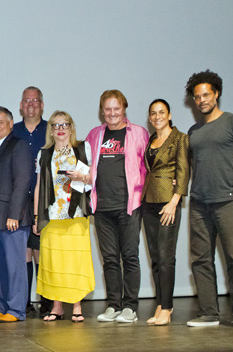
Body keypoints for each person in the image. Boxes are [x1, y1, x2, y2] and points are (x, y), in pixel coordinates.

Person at [184, 70, 233, 329]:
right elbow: (193, 167)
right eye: (197, 97)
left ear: (216, 94)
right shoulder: (193, 131)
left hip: (227, 201)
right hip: (198, 204)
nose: (202, 100)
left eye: (206, 95)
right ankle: (209, 313)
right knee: (200, 260)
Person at [86, 90, 149, 323]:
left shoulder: (139, 133)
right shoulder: (94, 135)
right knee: (110, 259)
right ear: (102, 111)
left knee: (130, 256)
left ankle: (130, 307)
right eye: (107, 109)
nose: (112, 113)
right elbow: (86, 167)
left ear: (124, 109)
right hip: (102, 208)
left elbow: (150, 166)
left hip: (129, 206)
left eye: (116, 108)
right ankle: (114, 305)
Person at [33, 111, 95, 322]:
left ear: (71, 127)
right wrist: (36, 217)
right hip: (52, 216)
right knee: (55, 263)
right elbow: (39, 186)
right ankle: (57, 307)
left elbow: (93, 179)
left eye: (64, 124)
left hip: (76, 214)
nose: (60, 129)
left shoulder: (83, 148)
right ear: (50, 130)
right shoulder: (44, 154)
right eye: (55, 125)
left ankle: (77, 306)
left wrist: (82, 176)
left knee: (75, 261)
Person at [0, 107, 33, 323]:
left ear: (11, 124)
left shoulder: (19, 145)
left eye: (0, 122)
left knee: (15, 266)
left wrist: (15, 214)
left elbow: (22, 182)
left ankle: (16, 310)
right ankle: (3, 307)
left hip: (12, 219)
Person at [141, 99, 189, 326]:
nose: (157, 116)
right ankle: (160, 304)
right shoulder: (151, 140)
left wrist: (174, 202)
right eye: (153, 113)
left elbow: (183, 171)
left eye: (161, 112)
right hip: (148, 202)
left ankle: (167, 308)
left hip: (168, 204)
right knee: (156, 258)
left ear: (169, 115)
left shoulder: (180, 138)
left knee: (166, 257)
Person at [12, 86, 49, 317]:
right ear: (21, 105)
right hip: (19, 199)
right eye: (27, 100)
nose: (31, 104)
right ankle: (23, 302)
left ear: (42, 105)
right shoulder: (13, 131)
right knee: (22, 251)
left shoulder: (51, 130)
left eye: (35, 100)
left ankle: (46, 302)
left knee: (41, 251)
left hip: (44, 199)